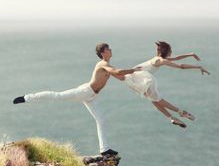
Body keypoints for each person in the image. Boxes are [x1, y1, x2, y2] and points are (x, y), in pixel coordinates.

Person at [13, 43, 141, 155]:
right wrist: (133, 69)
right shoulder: (103, 64)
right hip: (84, 92)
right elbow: (118, 72)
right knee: (57, 96)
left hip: (92, 96)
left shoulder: (108, 66)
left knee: (101, 120)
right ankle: (26, 98)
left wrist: (138, 80)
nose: (111, 50)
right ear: (103, 53)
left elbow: (121, 76)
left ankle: (104, 149)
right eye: (108, 49)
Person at [123, 41, 210, 128]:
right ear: (166, 51)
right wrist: (198, 67)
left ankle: (172, 118)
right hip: (142, 79)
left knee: (154, 100)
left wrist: (191, 54)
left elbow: (176, 58)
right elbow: (181, 66)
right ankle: (181, 112)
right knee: (158, 100)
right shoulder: (161, 60)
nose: (171, 52)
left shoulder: (156, 58)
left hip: (133, 80)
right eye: (170, 50)